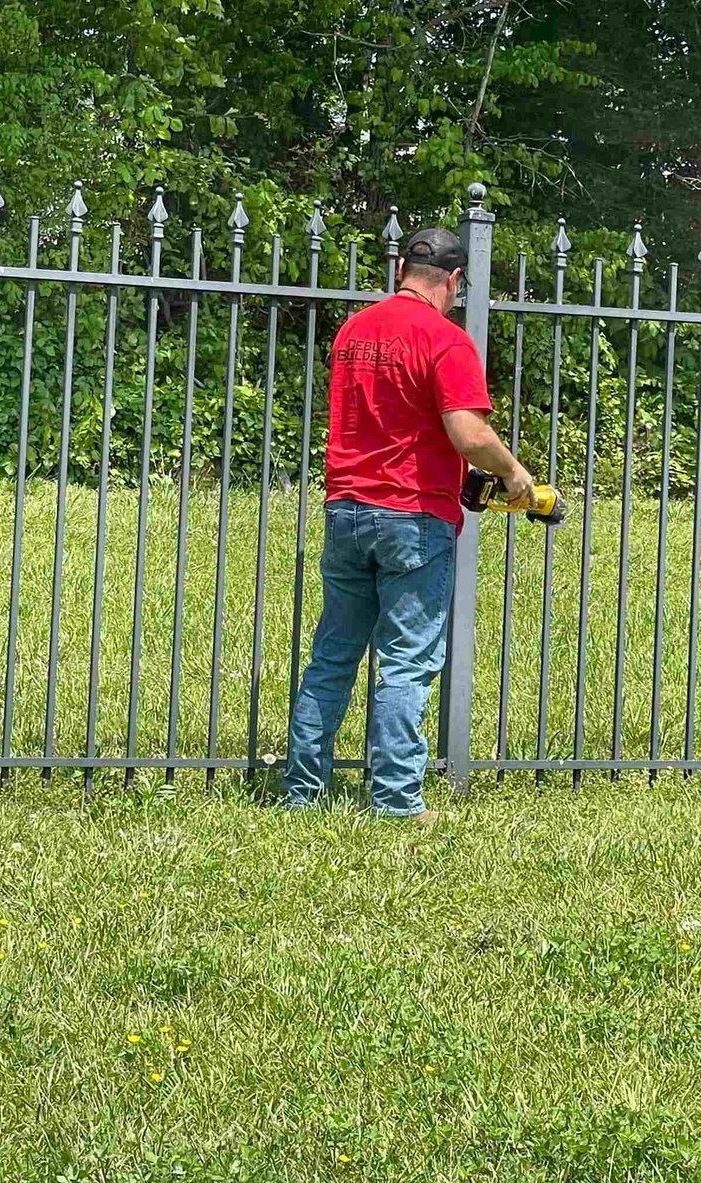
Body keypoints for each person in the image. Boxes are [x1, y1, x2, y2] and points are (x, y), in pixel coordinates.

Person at [282, 227, 535, 823]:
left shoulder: (352, 332)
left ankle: (300, 793)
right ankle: (396, 801)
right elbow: (469, 434)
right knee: (406, 662)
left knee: (332, 657)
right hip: (413, 516)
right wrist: (515, 473)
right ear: (453, 281)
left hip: (346, 508)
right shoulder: (445, 341)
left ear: (400, 267)